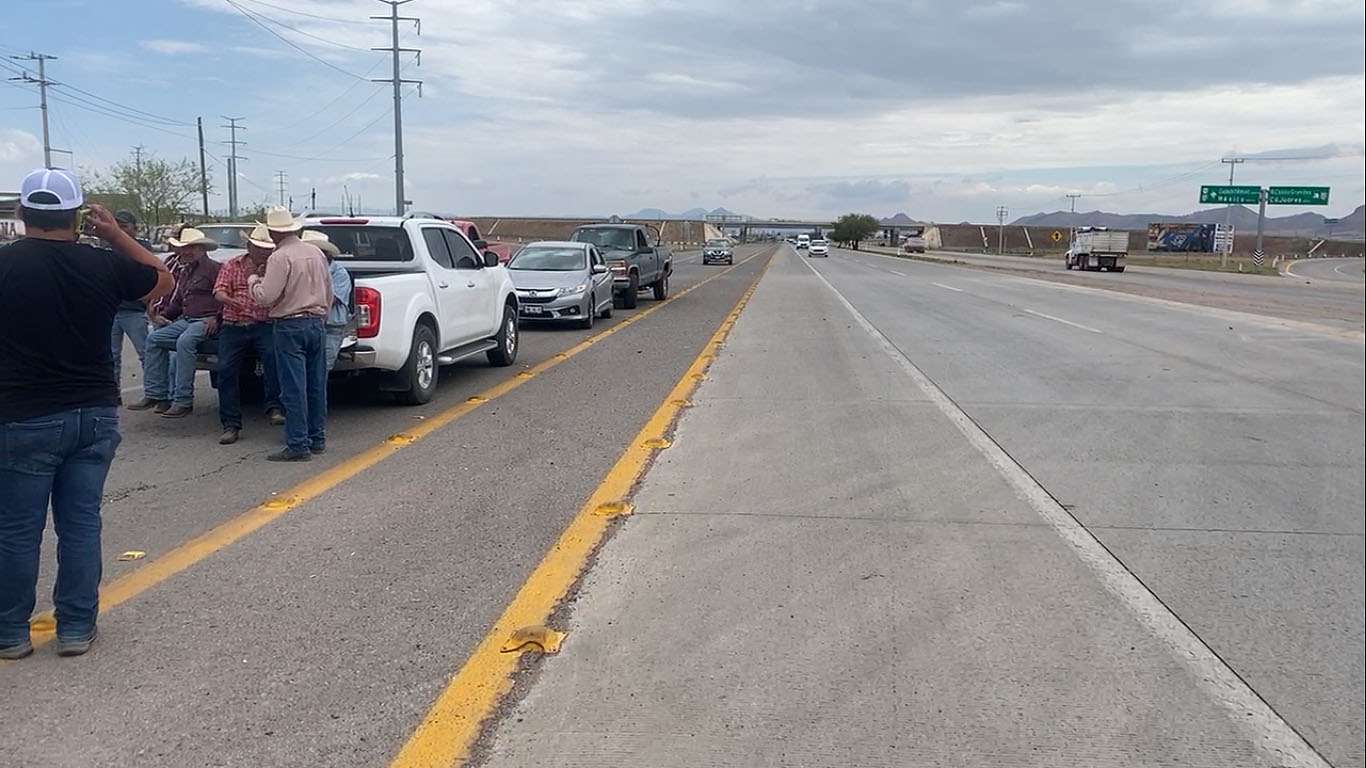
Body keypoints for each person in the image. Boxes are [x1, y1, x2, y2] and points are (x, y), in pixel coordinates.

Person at [0, 169, 173, 660]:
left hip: (22, 414)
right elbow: (162, 280)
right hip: (93, 412)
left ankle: (10, 632)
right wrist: (117, 235)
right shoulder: (103, 264)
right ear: (78, 216)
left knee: (16, 528)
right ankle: (76, 627)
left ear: (19, 214)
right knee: (80, 523)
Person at [250, 207, 332, 462]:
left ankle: (298, 443)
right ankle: (317, 437)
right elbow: (328, 291)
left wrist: (254, 280)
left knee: (293, 388)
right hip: (316, 322)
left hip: (289, 324)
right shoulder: (316, 252)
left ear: (273, 232)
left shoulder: (279, 257)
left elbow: (267, 297)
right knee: (316, 383)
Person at [128, 228, 221, 418]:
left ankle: (183, 400)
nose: (186, 251)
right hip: (186, 319)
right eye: (184, 248)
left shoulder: (215, 269)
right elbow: (179, 300)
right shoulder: (186, 270)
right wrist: (165, 315)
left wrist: (216, 318)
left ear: (202, 249)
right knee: (154, 339)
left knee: (184, 342)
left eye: (191, 248)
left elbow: (224, 295)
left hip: (205, 320)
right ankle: (156, 393)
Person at [213, 225, 285, 445]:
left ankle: (273, 406)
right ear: (249, 247)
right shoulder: (232, 265)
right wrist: (228, 300)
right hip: (234, 323)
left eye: (267, 248)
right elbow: (219, 291)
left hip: (263, 323)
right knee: (225, 370)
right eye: (260, 248)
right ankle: (231, 424)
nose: (264, 252)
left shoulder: (275, 266)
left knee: (274, 360)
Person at [107, 210, 153, 394]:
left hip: (134, 309)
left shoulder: (141, 248)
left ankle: (153, 392)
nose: (121, 229)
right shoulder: (108, 247)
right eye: (118, 226)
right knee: (111, 355)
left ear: (135, 227)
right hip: (112, 309)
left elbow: (151, 276)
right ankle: (113, 392)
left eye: (125, 226)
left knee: (146, 353)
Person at [302, 230, 353, 371]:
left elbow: (332, 299)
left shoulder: (339, 273)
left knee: (321, 369)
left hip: (330, 326)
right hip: (305, 325)